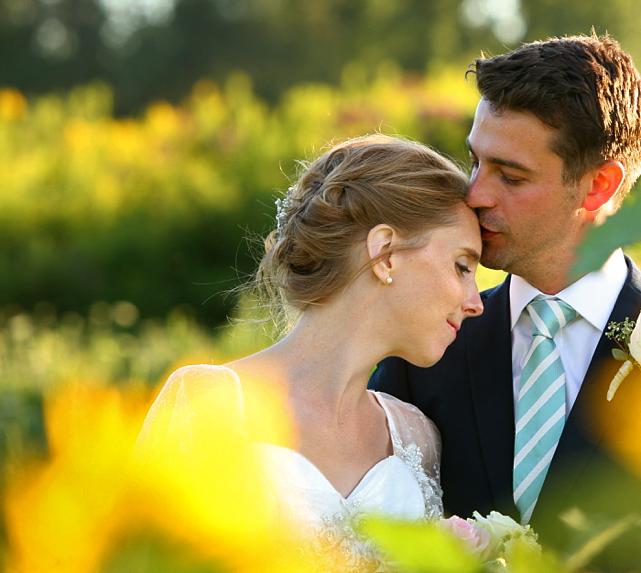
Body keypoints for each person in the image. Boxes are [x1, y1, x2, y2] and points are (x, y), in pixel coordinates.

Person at [369, 34, 641, 566]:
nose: (475, 194)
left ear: (599, 188)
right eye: (475, 162)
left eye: (510, 175)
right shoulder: (423, 345)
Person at [135, 135, 483, 569]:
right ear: (386, 253)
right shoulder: (208, 404)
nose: (476, 302)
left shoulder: (416, 439)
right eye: (462, 267)